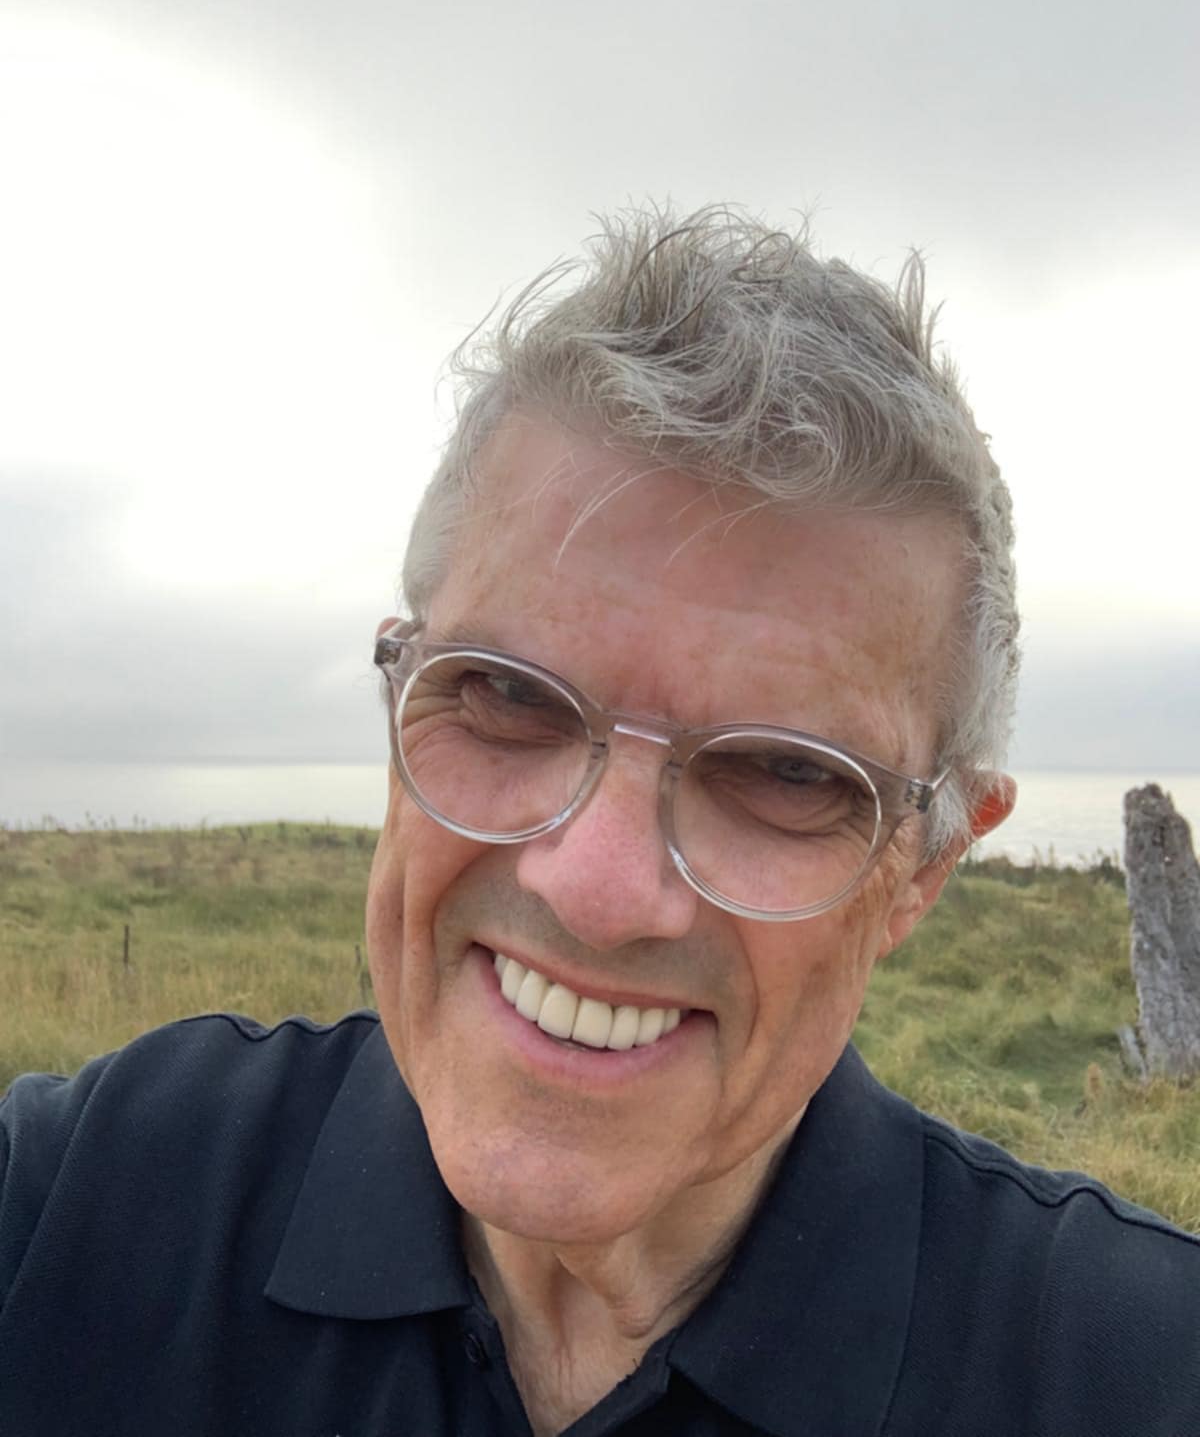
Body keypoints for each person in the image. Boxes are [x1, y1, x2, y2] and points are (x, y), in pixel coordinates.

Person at [2, 206, 1198, 1437]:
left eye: (786, 774)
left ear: (924, 867)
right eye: (507, 697)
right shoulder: (84, 1198)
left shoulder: (1132, 1377)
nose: (598, 889)